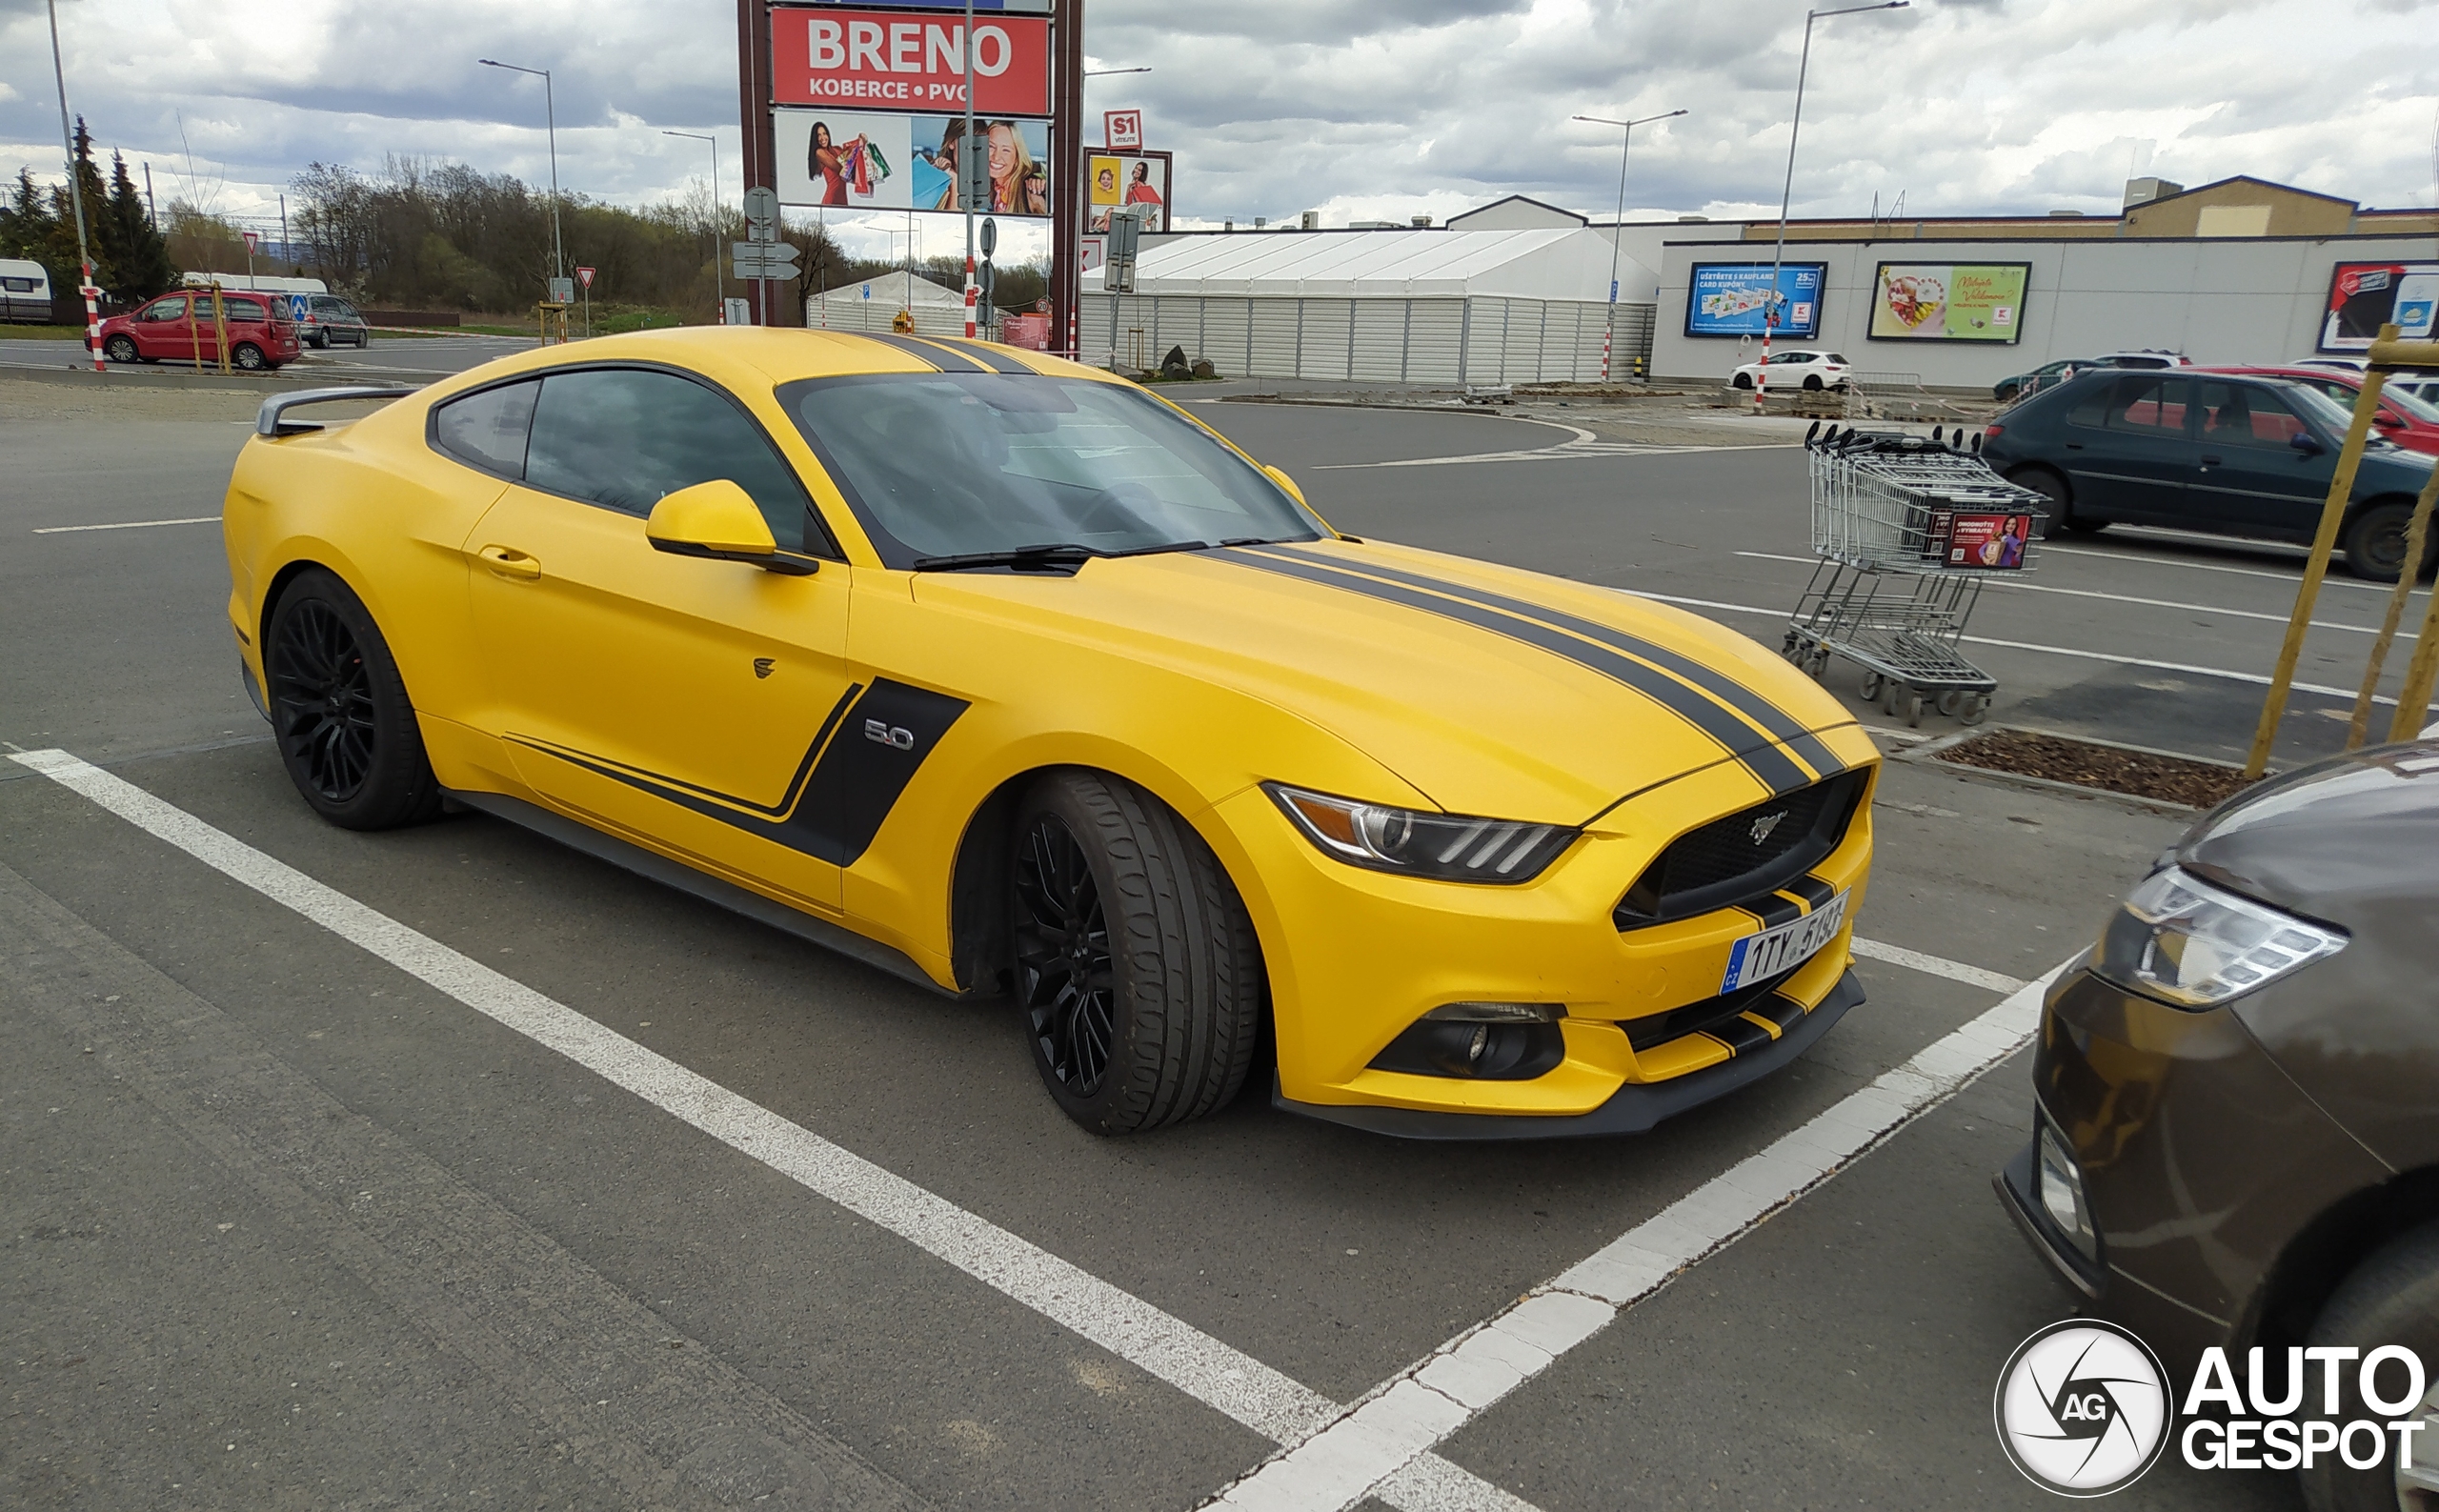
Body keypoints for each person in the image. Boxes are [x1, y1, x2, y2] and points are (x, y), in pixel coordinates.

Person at [986, 122, 1049, 216]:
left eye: (1006, 150)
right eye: (991, 146)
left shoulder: (1030, 191)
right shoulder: (986, 184)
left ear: (1017, 157)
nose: (996, 157)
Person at [809, 122, 857, 207]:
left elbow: (852, 160)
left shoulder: (837, 149)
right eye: (819, 135)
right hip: (831, 200)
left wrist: (860, 141)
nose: (823, 138)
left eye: (824, 133)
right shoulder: (819, 152)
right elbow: (840, 169)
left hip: (843, 199)